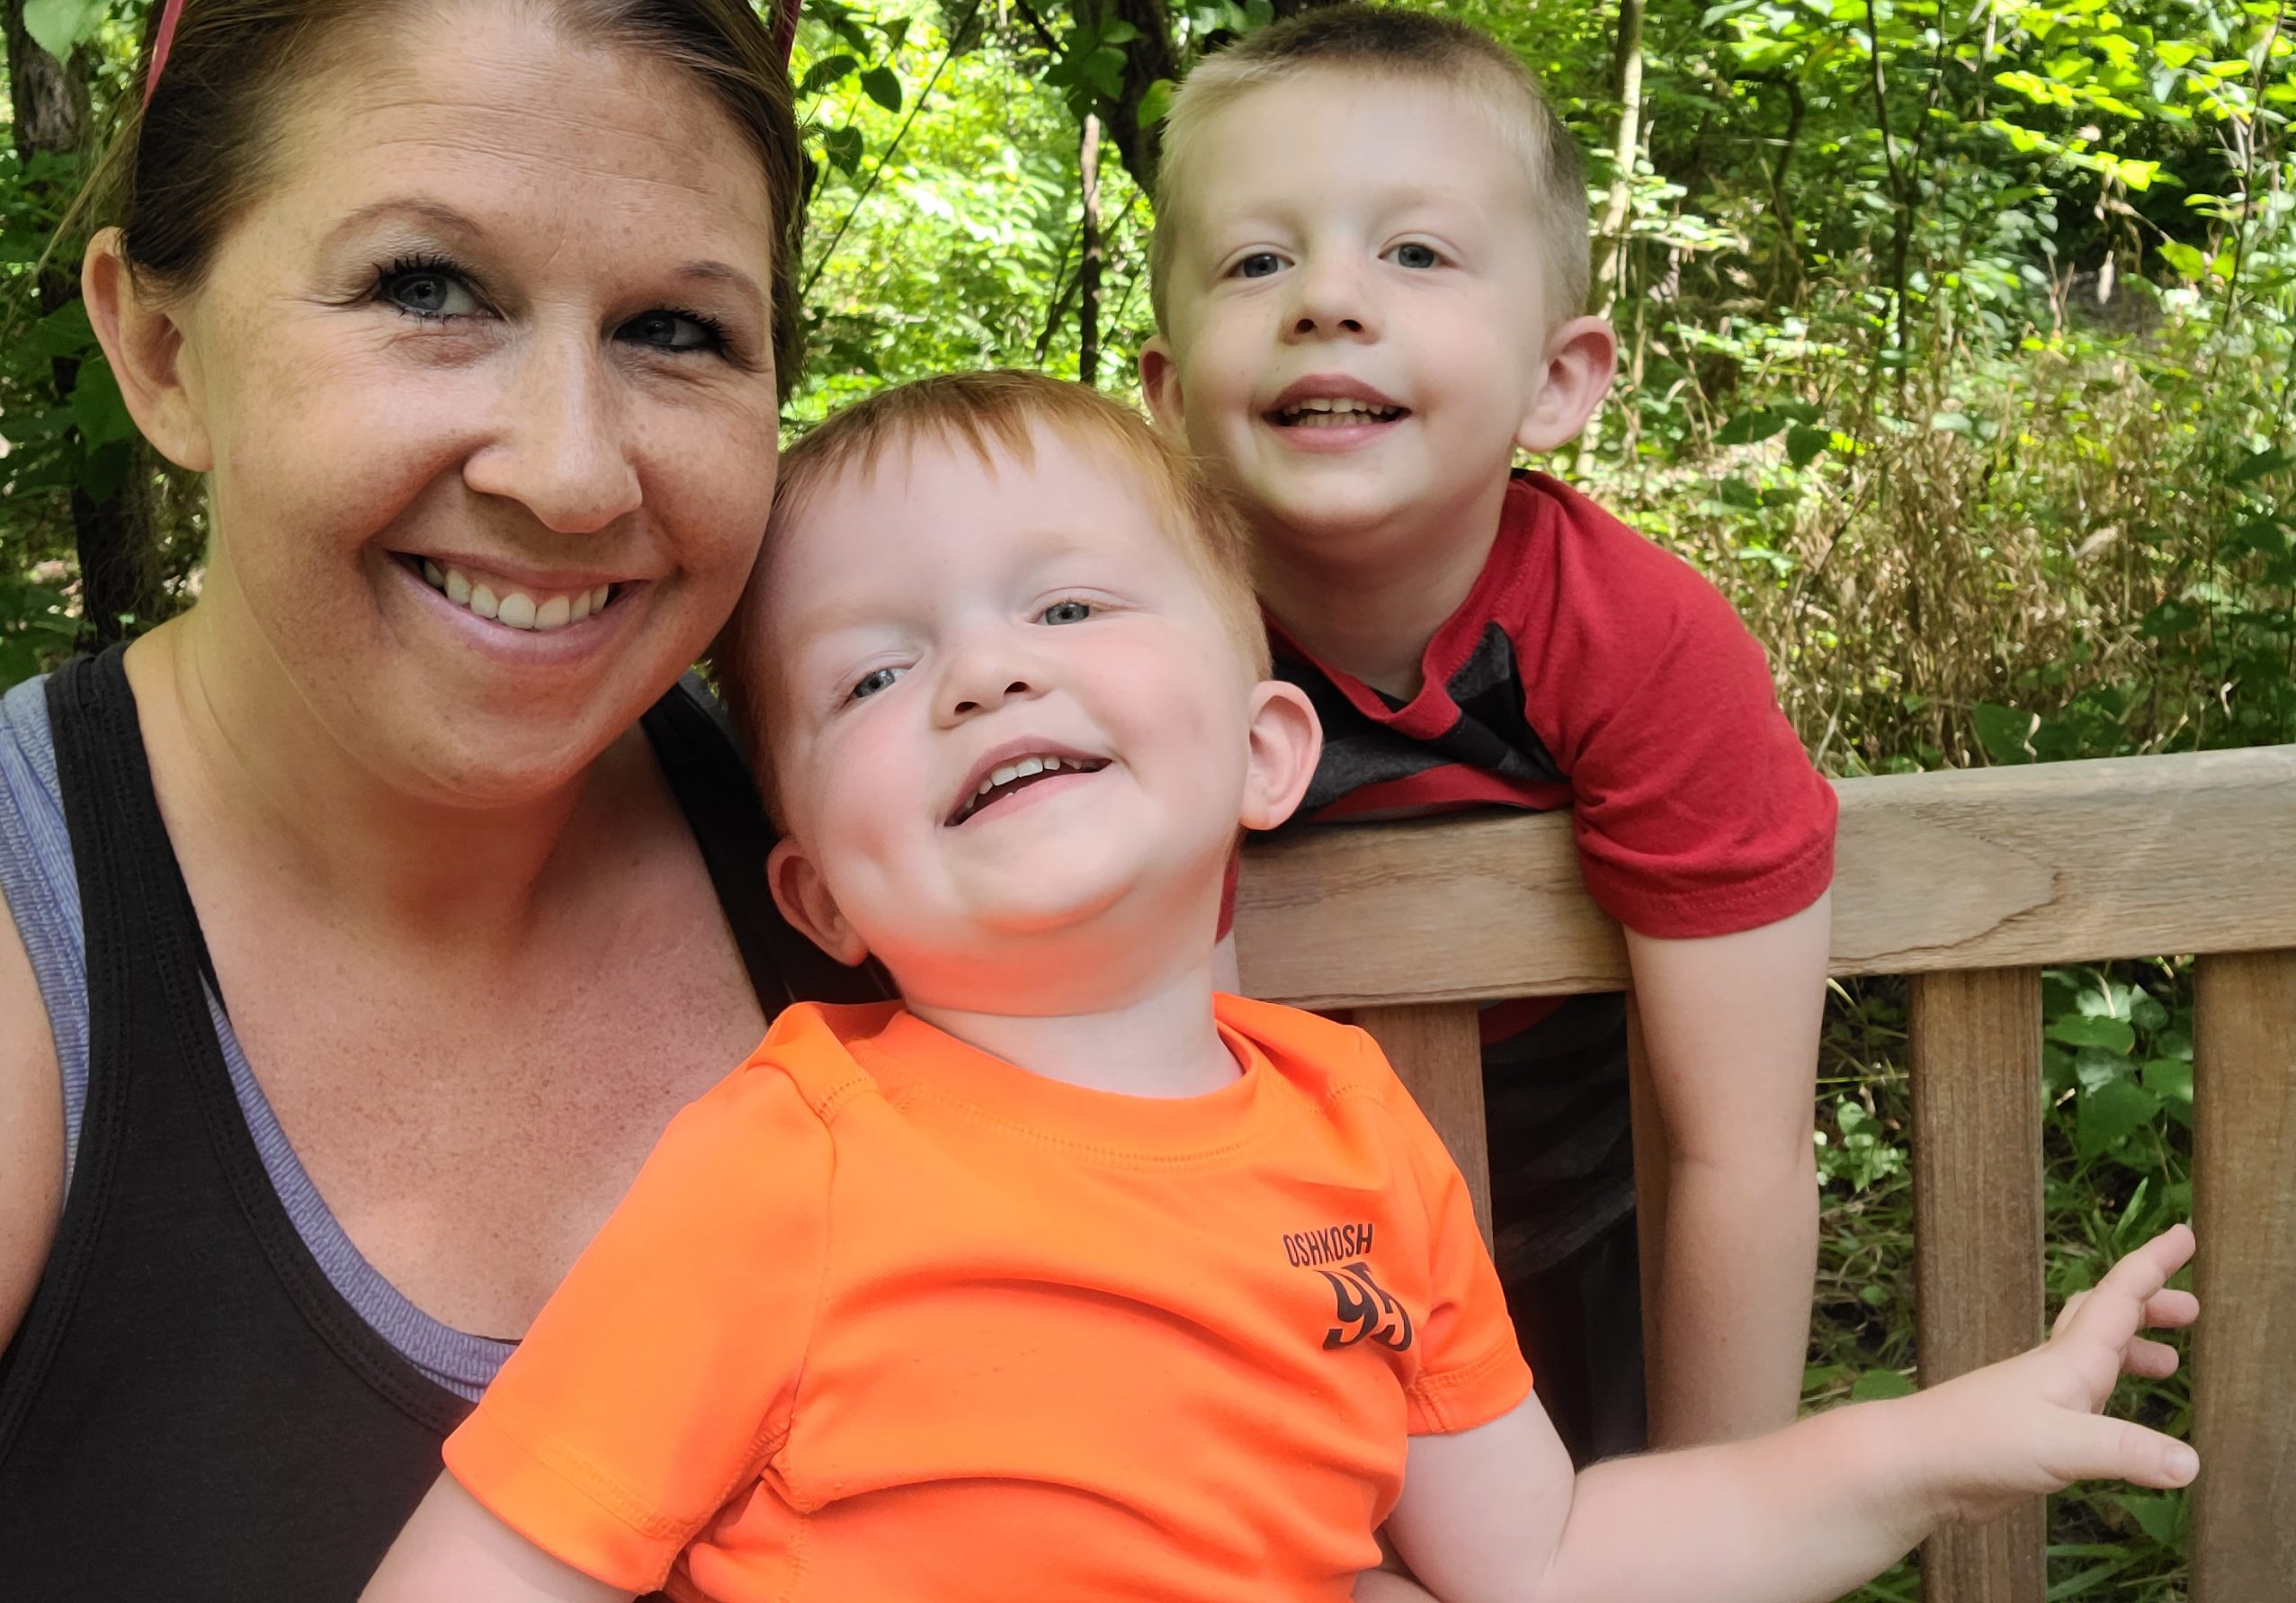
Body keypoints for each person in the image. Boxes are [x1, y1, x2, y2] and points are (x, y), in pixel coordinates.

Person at [362, 371, 2196, 1603]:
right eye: (870, 675)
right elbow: (492, 1570)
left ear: (1263, 753)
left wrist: (1947, 1443)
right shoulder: (789, 1163)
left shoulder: (1347, 1135)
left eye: (1064, 610)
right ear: (818, 894)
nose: (984, 679)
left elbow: (1539, 1560)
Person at [0, 0, 874, 1595]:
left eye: (677, 330)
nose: (568, 470)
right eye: (426, 287)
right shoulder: (40, 939)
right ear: (159, 349)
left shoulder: (878, 846)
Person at [1139, 5, 1838, 1459]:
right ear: (1165, 394)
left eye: (1415, 253)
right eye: (1258, 260)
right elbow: (1163, 1105)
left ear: (1557, 379)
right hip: (1269, 1260)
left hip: (1591, 1222)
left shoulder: (1638, 636)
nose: (1328, 299)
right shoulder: (1145, 659)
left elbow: (1741, 1150)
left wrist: (1719, 1523)